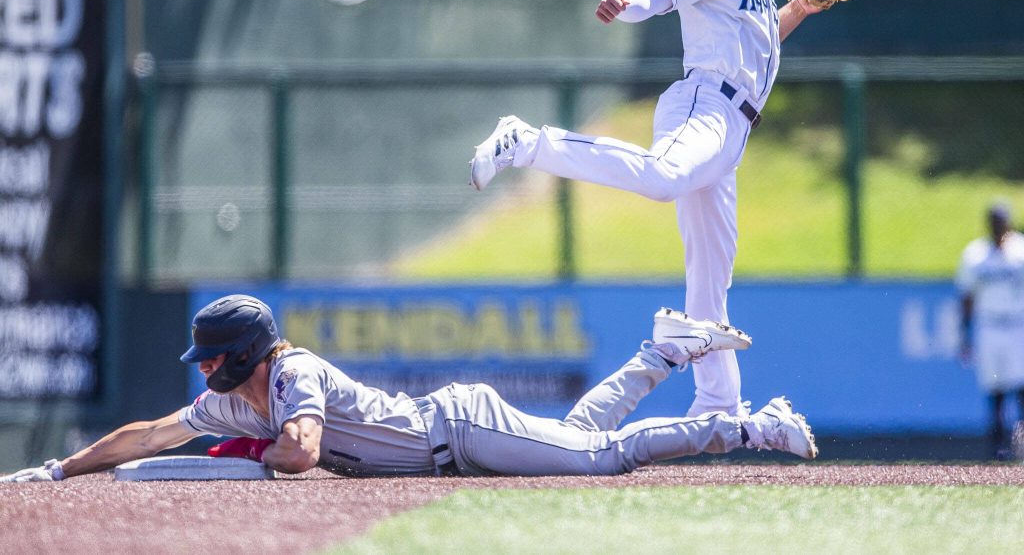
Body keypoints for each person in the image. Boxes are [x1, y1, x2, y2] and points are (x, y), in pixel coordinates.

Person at [469, 0, 829, 419]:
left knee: (712, 270)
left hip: (732, 131)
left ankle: (716, 404)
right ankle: (527, 141)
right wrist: (627, 4)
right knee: (663, 178)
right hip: (704, 107)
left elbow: (759, 43)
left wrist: (800, 9)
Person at [1, 294, 817, 482]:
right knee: (577, 435)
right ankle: (660, 352)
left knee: (601, 458)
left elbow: (301, 453)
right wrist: (61, 470)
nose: (203, 371)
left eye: (210, 358)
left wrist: (251, 450)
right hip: (447, 438)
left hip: (455, 429)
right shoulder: (235, 393)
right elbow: (147, 433)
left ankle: (747, 426)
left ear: (242, 350)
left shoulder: (292, 371)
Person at [957, 202, 1024, 459]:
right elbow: (967, 297)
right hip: (990, 324)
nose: (998, 228)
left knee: (1021, 386)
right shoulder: (976, 254)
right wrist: (965, 334)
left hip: (1017, 323)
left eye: (1002, 222)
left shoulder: (1020, 250)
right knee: (994, 387)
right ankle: (998, 448)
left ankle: (1020, 444)